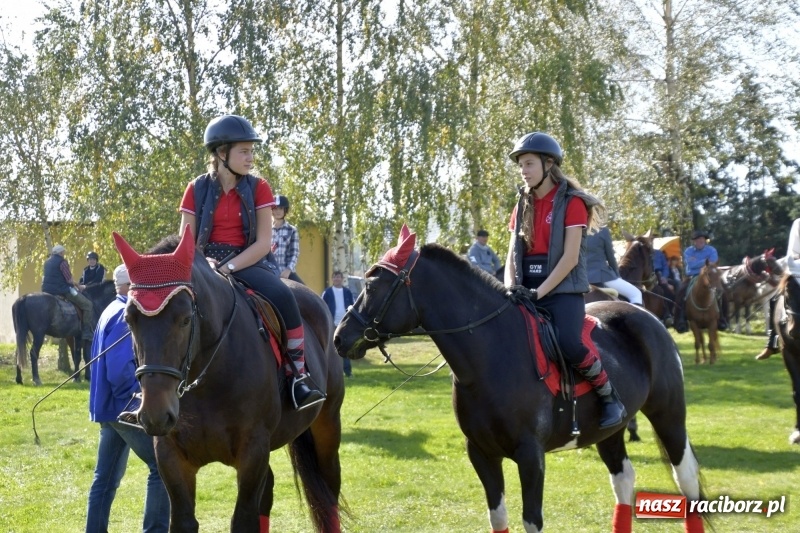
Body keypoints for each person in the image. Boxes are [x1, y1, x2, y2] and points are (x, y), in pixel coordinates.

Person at [178, 114, 324, 410]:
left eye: (251, 151)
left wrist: (227, 268)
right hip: (203, 263)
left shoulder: (260, 187)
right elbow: (185, 241)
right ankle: (151, 385)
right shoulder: (195, 188)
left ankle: (298, 376)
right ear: (222, 153)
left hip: (249, 261)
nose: (251, 158)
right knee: (166, 305)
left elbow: (263, 243)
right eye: (244, 151)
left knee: (284, 295)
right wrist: (205, 263)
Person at [504, 131, 626, 429]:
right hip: (525, 290)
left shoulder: (572, 203)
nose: (523, 170)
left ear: (549, 164)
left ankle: (609, 397)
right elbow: (511, 254)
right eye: (521, 165)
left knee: (569, 343)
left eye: (529, 163)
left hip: (563, 291)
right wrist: (510, 288)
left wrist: (540, 293)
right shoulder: (521, 205)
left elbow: (570, 258)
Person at [86, 265, 170, 533]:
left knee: (105, 479)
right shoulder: (125, 316)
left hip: (107, 408)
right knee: (163, 466)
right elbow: (120, 371)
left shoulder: (110, 309)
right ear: (130, 286)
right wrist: (137, 403)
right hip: (123, 408)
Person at [756, 217, 800, 360]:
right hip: (799, 270)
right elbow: (793, 254)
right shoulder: (798, 223)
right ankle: (772, 342)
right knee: (775, 299)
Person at [672, 229, 728, 333]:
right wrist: (706, 262)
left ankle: (723, 318)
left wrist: (700, 262)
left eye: (702, 239)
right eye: (698, 239)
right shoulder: (688, 251)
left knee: (723, 291)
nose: (700, 241)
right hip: (693, 276)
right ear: (694, 241)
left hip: (710, 275)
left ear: (705, 240)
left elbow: (713, 263)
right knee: (681, 291)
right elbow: (691, 265)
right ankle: (680, 319)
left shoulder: (712, 250)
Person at [41, 244, 94, 340]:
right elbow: (69, 280)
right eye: (64, 252)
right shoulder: (62, 262)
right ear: (61, 252)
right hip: (62, 290)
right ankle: (86, 331)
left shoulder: (47, 262)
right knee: (87, 305)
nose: (64, 253)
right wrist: (78, 286)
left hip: (47, 290)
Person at [585, 226, 643, 305]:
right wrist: (617, 275)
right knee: (636, 294)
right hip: (602, 276)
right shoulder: (602, 230)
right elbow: (610, 257)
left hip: (581, 278)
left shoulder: (574, 229)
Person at [322, 271, 355, 377]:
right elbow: (322, 306)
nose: (337, 279)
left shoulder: (347, 292)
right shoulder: (327, 292)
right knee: (331, 348)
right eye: (335, 277)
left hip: (345, 324)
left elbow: (353, 306)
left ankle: (348, 372)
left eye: (338, 277)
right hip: (332, 324)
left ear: (342, 279)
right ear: (332, 279)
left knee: (345, 346)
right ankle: (331, 372)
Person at [271, 195, 304, 283]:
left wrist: (288, 270)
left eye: (281, 208)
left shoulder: (292, 230)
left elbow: (295, 253)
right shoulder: (266, 230)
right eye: (275, 208)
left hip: (286, 272)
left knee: (304, 289)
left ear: (285, 210)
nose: (278, 211)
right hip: (269, 271)